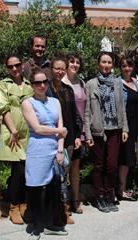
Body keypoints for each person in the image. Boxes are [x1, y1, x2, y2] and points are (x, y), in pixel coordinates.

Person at [22, 69, 68, 238]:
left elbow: (61, 125)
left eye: (44, 82)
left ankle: (51, 223)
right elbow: (38, 128)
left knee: (53, 187)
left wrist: (60, 150)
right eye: (37, 83)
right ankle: (36, 223)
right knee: (35, 187)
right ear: (32, 85)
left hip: (54, 148)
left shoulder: (55, 101)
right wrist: (59, 131)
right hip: (38, 149)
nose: (41, 85)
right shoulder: (28, 103)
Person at [84, 52, 129, 213]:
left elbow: (121, 107)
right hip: (98, 130)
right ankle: (100, 196)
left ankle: (109, 193)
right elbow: (87, 111)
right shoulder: (91, 84)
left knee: (111, 165)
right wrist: (87, 134)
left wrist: (125, 128)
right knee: (98, 165)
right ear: (98, 64)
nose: (106, 65)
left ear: (112, 65)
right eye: (103, 61)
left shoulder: (117, 83)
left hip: (115, 129)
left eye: (109, 62)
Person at [0, 55, 33, 225]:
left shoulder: (29, 85)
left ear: (22, 65)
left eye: (17, 65)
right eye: (11, 66)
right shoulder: (4, 85)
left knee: (28, 169)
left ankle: (24, 203)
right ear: (7, 69)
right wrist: (13, 130)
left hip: (29, 133)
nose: (15, 69)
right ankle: (13, 205)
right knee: (18, 170)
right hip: (13, 133)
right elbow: (3, 108)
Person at [48, 56, 82, 224]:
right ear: (51, 69)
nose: (60, 71)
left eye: (63, 68)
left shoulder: (68, 90)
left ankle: (64, 209)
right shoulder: (46, 89)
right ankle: (51, 210)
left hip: (68, 139)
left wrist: (77, 135)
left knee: (64, 175)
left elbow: (75, 115)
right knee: (52, 176)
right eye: (57, 68)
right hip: (49, 139)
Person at [62, 53, 86, 214]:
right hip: (65, 130)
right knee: (64, 165)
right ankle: (63, 202)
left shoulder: (82, 82)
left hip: (80, 130)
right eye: (72, 62)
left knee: (76, 165)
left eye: (77, 62)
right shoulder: (60, 83)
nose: (75, 65)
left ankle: (75, 199)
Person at [118, 57, 138, 201]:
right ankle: (121, 189)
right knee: (124, 158)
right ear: (120, 68)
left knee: (132, 157)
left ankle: (128, 185)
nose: (127, 68)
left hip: (136, 124)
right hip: (124, 125)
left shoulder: (136, 82)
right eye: (124, 66)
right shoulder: (117, 83)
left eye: (129, 66)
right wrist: (123, 128)